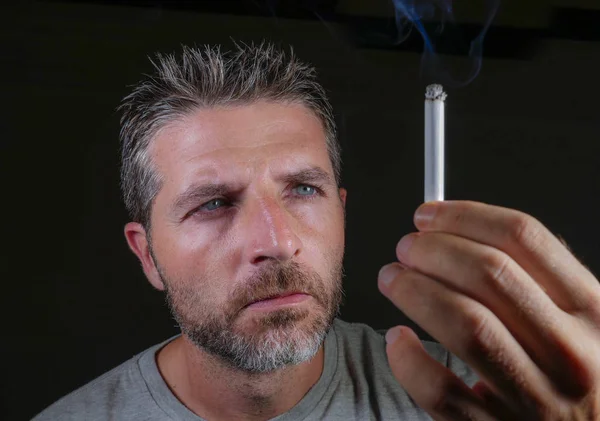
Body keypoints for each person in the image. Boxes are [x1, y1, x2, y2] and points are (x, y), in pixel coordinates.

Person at [33, 42, 600, 421]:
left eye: (304, 190)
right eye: (212, 204)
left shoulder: (481, 401)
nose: (276, 241)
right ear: (148, 254)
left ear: (342, 212)